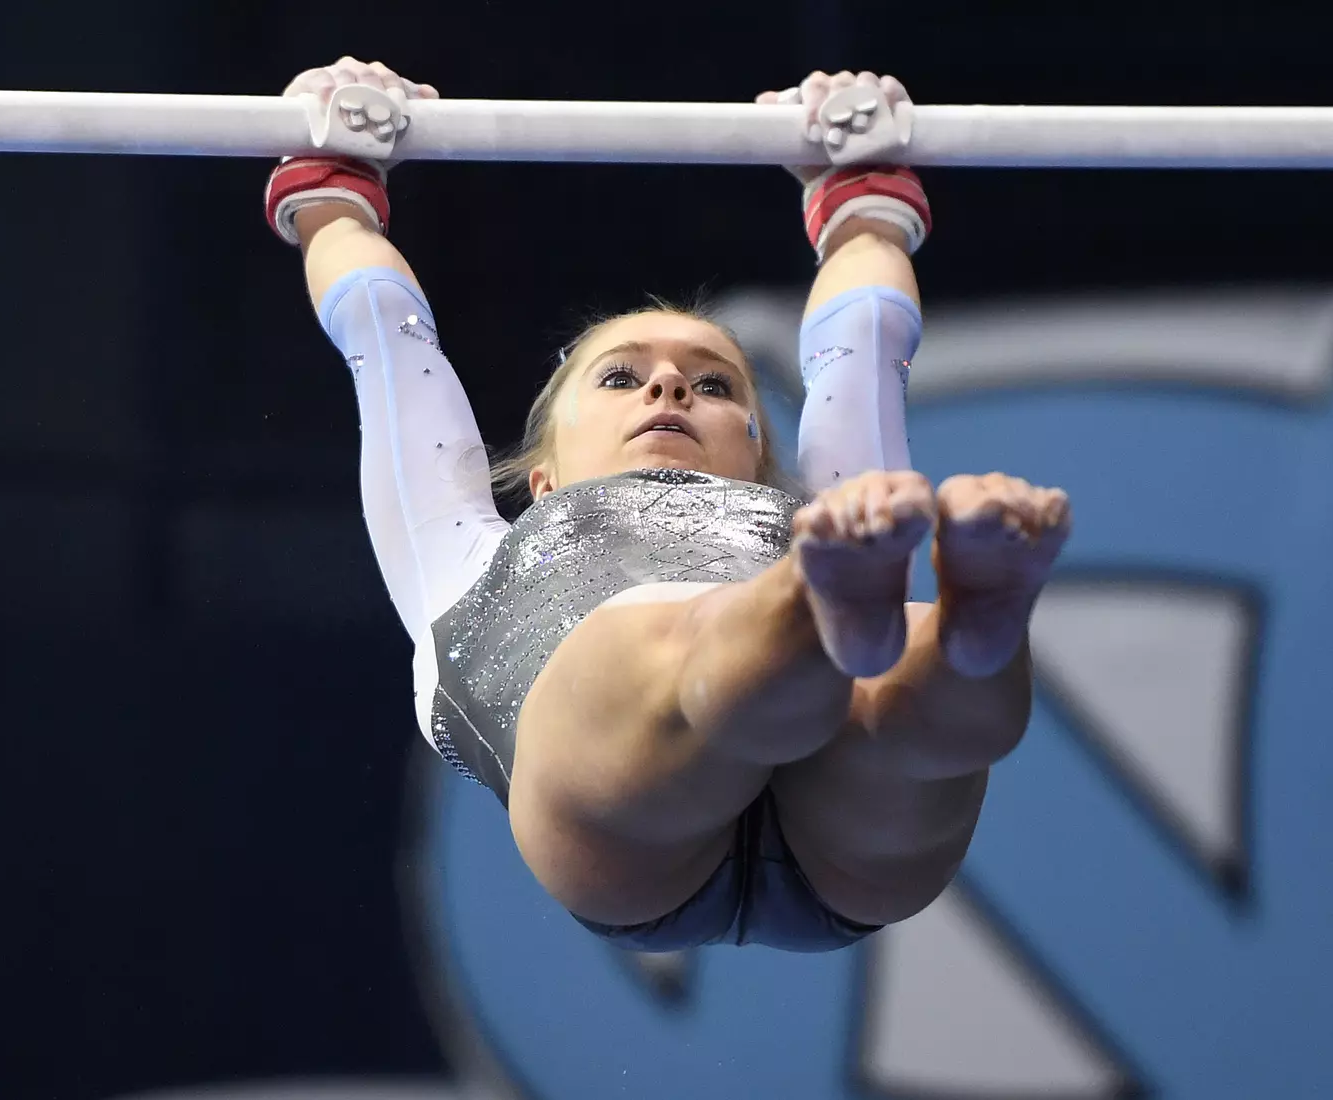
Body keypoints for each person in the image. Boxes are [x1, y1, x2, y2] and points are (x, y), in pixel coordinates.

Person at [264, 59, 1070, 952]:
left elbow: (862, 353)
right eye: (621, 375)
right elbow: (384, 335)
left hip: (835, 797)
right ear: (545, 479)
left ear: (762, 456)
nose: (669, 386)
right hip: (628, 820)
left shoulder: (826, 513)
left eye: (715, 384)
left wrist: (859, 196)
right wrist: (332, 193)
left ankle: (967, 637)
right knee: (675, 635)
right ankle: (925, 626)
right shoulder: (460, 544)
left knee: (906, 678)